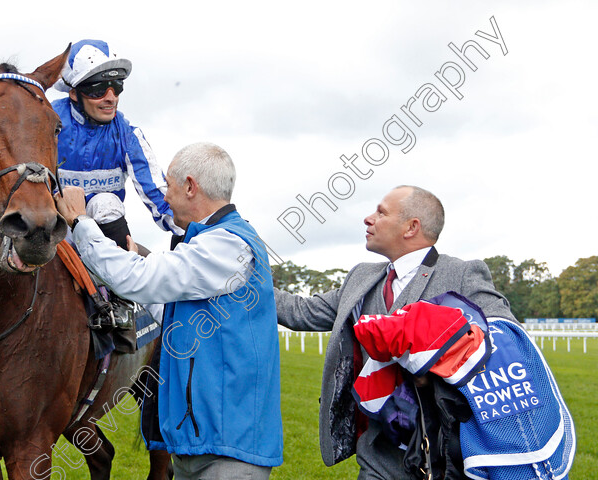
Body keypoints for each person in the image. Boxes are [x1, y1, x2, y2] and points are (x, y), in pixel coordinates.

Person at [56, 142, 283, 479]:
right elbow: (170, 312)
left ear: (191, 186)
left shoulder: (228, 243)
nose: (164, 197)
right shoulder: (209, 244)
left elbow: (143, 279)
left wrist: (80, 222)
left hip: (228, 452)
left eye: (169, 187)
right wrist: (126, 270)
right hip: (203, 444)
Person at [275, 185, 517, 480]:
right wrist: (249, 276)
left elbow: (504, 337)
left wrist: (433, 369)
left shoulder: (463, 274)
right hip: (377, 456)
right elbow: (301, 312)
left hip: (443, 458)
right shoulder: (361, 277)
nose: (368, 219)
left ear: (411, 227)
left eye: (381, 212)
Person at [52, 39, 182, 249]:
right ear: (73, 93)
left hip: (101, 233)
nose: (111, 98)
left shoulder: (128, 135)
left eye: (116, 86)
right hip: (50, 228)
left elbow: (159, 195)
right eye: (98, 89)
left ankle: (117, 278)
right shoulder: (45, 124)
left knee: (106, 203)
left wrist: (195, 231)